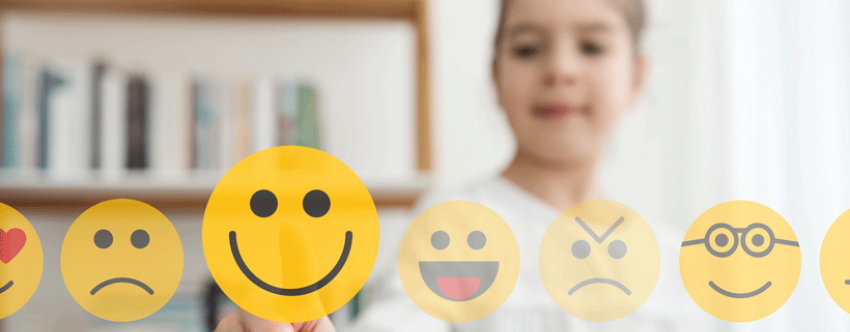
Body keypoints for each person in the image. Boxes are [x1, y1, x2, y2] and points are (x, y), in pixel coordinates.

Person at [215, 0, 708, 330]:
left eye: (593, 46)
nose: (561, 69)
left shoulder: (679, 266)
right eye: (528, 48)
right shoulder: (453, 225)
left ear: (637, 76)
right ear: (496, 74)